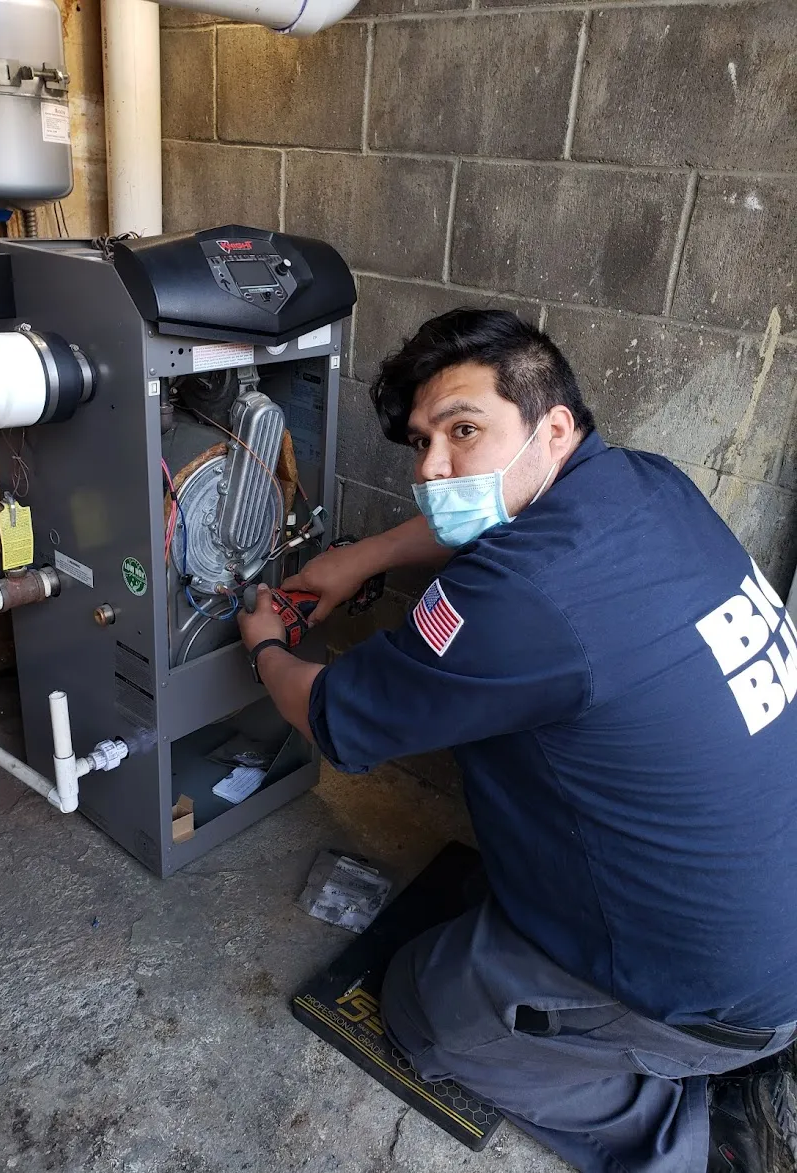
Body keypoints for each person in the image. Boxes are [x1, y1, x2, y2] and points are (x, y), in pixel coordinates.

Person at [237, 309, 797, 1173]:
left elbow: (333, 716)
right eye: (423, 442)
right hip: (765, 923)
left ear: (555, 426)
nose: (433, 469)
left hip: (707, 992)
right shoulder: (648, 484)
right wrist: (361, 560)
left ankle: (695, 1134)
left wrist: (267, 644)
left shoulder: (522, 599)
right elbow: (485, 518)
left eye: (464, 430)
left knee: (425, 1007)